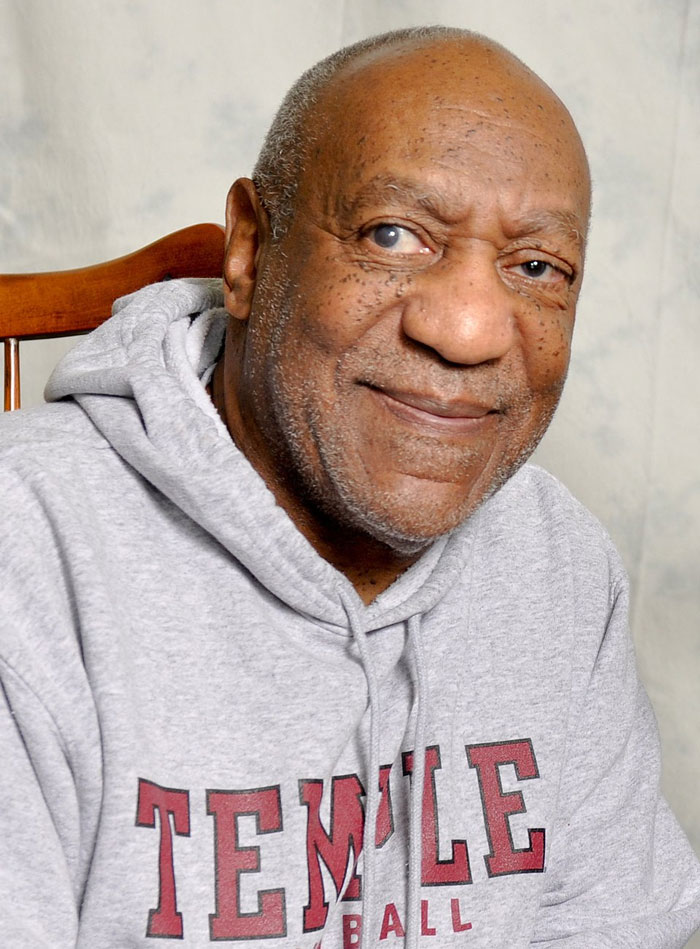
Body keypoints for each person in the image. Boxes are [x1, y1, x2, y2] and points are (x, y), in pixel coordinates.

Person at [0, 24, 698, 949]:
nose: (468, 328)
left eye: (536, 267)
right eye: (395, 234)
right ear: (250, 250)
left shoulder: (557, 561)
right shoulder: (29, 555)